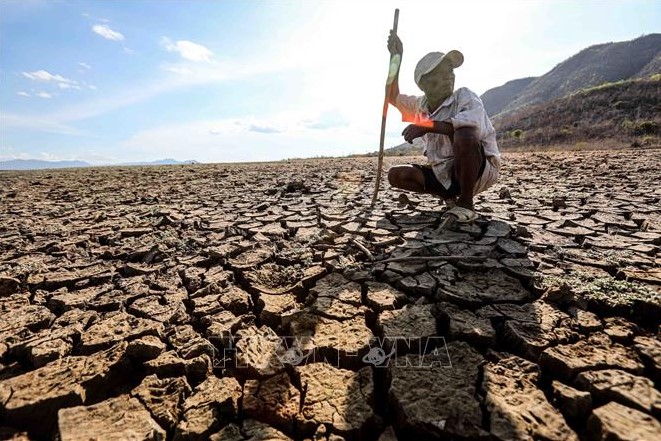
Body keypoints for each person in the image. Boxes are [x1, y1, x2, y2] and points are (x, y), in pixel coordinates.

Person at [386, 30, 501, 223]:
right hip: (445, 175)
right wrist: (396, 57)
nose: (449, 77)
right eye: (441, 73)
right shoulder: (419, 105)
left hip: (478, 170)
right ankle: (448, 196)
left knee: (464, 134)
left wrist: (427, 126)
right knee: (397, 175)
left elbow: (469, 127)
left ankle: (466, 204)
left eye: (450, 71)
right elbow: (391, 96)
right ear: (423, 83)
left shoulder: (464, 96)